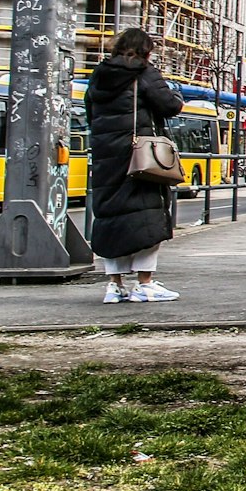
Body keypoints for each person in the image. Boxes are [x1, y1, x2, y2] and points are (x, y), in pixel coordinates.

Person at [86, 28, 187, 303]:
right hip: (139, 157)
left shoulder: (99, 76)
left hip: (107, 157)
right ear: (146, 51)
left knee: (113, 217)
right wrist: (177, 99)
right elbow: (168, 105)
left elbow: (90, 113)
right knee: (146, 217)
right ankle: (145, 283)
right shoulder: (145, 73)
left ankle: (114, 285)